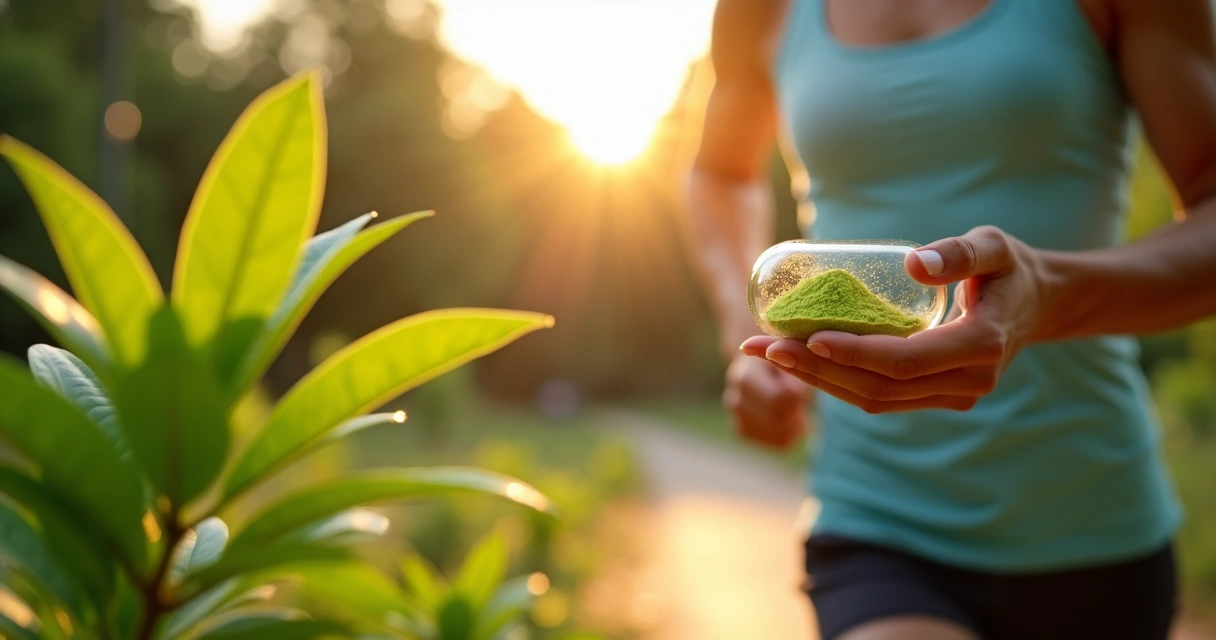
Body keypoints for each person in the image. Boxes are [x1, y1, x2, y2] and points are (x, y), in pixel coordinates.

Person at [685, 1, 1216, 638]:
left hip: (1088, 518)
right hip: (875, 516)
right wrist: (745, 336)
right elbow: (719, 172)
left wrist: (1049, 293)